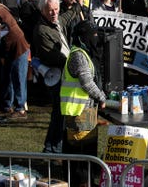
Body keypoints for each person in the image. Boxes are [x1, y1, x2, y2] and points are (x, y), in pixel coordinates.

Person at [61, 20, 107, 185]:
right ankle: (80, 182)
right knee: (80, 150)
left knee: (87, 148)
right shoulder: (78, 55)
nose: (95, 38)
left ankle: (86, 180)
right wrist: (102, 98)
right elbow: (87, 83)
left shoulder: (83, 53)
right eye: (92, 35)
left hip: (85, 111)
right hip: (78, 111)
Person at [32, 0, 70, 154]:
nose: (54, 13)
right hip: (56, 74)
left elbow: (68, 16)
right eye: (50, 11)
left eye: (56, 9)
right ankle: (53, 147)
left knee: (60, 112)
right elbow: (55, 58)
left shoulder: (58, 21)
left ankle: (52, 146)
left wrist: (75, 0)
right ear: (42, 11)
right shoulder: (41, 30)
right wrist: (74, 62)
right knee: (59, 112)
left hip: (64, 72)